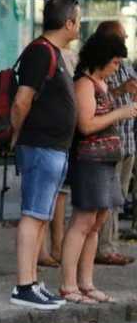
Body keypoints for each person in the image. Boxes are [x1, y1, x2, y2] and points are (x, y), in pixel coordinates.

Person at [9, 0, 83, 310]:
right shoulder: (40, 52)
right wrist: (16, 134)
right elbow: (21, 101)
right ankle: (24, 285)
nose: (80, 25)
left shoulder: (52, 52)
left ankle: (33, 281)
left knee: (41, 217)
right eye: (78, 19)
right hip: (40, 146)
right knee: (33, 215)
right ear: (68, 23)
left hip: (53, 148)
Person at [58, 32, 137, 304]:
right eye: (114, 62)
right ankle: (68, 284)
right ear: (101, 59)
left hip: (106, 160)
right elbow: (86, 124)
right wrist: (119, 113)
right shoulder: (84, 84)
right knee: (82, 222)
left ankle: (86, 282)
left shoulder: (102, 85)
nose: (117, 68)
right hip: (90, 161)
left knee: (96, 223)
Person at [95, 21, 137, 265]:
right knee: (108, 198)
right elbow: (97, 101)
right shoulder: (98, 67)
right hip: (112, 140)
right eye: (121, 36)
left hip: (128, 140)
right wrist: (120, 90)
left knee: (119, 197)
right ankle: (104, 248)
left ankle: (112, 244)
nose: (125, 40)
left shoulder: (125, 65)